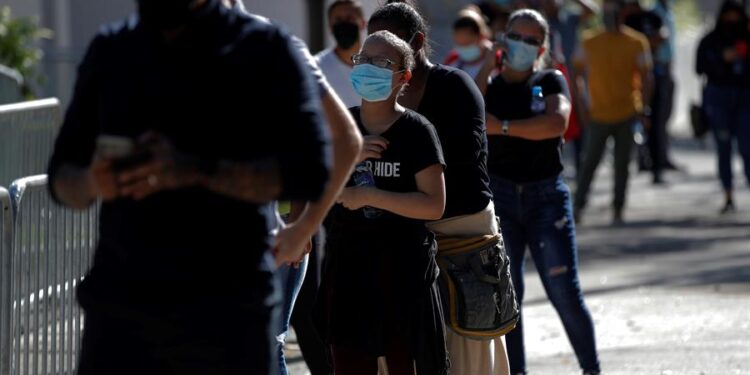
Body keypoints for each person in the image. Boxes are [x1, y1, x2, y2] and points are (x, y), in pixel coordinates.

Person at [47, 1, 331, 374]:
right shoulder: (112, 50)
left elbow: (311, 170)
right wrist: (92, 181)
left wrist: (199, 171)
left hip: (227, 315)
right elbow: (61, 178)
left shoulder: (263, 49)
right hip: (122, 311)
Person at [368, 2, 510, 374]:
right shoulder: (374, 101)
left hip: (464, 235)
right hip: (407, 234)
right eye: (374, 49)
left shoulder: (455, 87)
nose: (383, 58)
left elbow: (462, 159)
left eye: (393, 45)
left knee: (468, 347)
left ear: (417, 42)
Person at [315, 30, 448, 374]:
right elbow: (315, 188)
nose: (368, 67)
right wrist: (349, 159)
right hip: (348, 277)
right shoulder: (341, 126)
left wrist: (371, 196)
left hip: (403, 279)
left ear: (403, 77)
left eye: (381, 61)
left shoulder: (417, 131)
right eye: (364, 59)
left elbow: (434, 205)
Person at [476, 9, 600, 375]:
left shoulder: (550, 79)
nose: (522, 46)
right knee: (509, 298)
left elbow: (555, 123)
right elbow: (471, 111)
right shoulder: (492, 84)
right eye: (516, 37)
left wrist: (502, 127)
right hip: (500, 198)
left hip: (546, 197)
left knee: (564, 292)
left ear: (542, 47)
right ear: (504, 38)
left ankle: (592, 369)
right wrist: (487, 60)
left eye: (532, 41)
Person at [572, 0, 654, 225]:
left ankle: (618, 208)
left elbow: (647, 77)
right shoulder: (589, 41)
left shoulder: (636, 42)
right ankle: (578, 206)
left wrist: (644, 109)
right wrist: (581, 105)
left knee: (622, 164)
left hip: (628, 112)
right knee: (589, 162)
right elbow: (576, 73)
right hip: (597, 114)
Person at [696, 0, 750, 214]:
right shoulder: (711, 41)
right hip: (719, 97)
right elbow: (699, 68)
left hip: (745, 98)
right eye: (728, 16)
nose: (732, 20)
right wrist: (721, 60)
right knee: (724, 146)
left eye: (736, 16)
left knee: (747, 147)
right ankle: (728, 194)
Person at [622, 0, 672, 184]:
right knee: (628, 123)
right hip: (629, 77)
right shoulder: (625, 19)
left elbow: (661, 37)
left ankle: (657, 167)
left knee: (654, 120)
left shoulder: (653, 16)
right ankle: (634, 164)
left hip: (652, 73)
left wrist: (642, 43)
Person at [315, 0, 367, 108]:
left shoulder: (378, 65)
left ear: (363, 23)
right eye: (338, 20)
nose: (344, 24)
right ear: (330, 27)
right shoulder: (316, 68)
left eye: (349, 19)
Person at [444, 7, 500, 80]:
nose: (463, 48)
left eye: (467, 44)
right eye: (459, 44)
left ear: (481, 37)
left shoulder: (497, 58)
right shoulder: (452, 59)